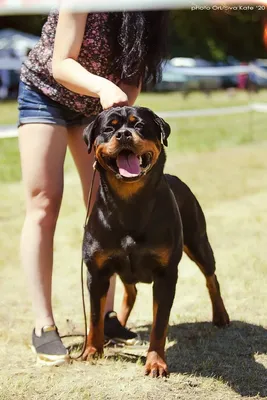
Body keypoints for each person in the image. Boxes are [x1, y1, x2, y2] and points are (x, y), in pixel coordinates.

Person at [18, 8, 168, 365]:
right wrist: (102, 87)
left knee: (109, 206)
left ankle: (106, 317)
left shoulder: (148, 12)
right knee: (44, 200)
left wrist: (118, 127)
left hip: (101, 112)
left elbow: (132, 81)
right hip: (46, 94)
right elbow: (62, 64)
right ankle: (43, 325)